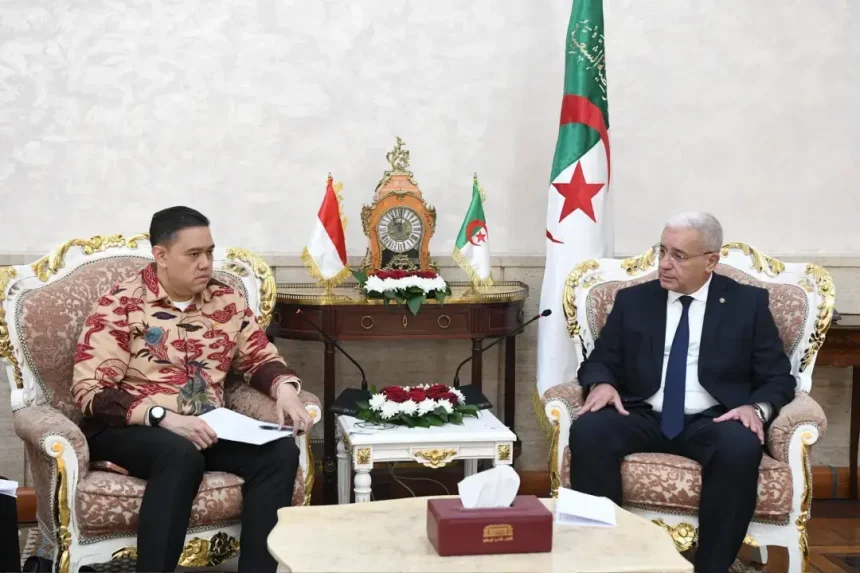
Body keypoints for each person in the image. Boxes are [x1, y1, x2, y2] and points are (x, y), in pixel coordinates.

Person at [71, 206, 312, 573]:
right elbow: (91, 391)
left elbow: (259, 357)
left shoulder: (227, 300)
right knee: (180, 454)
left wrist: (285, 390)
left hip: (205, 424)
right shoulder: (120, 305)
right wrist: (162, 417)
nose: (206, 263)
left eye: (210, 252)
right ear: (161, 255)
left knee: (278, 452)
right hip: (131, 427)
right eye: (194, 254)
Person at [569, 212, 795, 573]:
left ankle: (711, 567)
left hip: (715, 417)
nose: (664, 264)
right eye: (662, 251)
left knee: (740, 446)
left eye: (678, 255)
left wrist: (756, 408)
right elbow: (600, 361)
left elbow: (778, 377)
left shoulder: (747, 304)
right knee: (589, 430)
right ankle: (607, 559)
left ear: (711, 261)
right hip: (641, 413)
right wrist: (603, 383)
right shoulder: (634, 301)